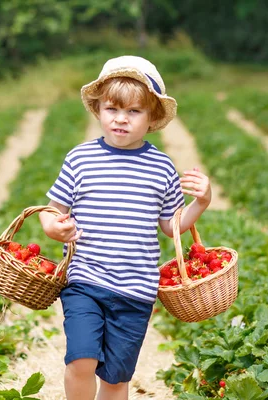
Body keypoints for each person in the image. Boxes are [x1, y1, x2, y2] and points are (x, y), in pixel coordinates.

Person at [39, 55, 212, 400]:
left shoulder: (161, 167)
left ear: (152, 118)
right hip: (85, 280)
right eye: (111, 109)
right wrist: (52, 227)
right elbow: (52, 209)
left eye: (134, 111)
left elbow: (171, 226)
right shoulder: (80, 158)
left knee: (117, 379)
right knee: (81, 360)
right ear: (98, 110)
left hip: (135, 290)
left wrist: (201, 202)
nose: (120, 119)